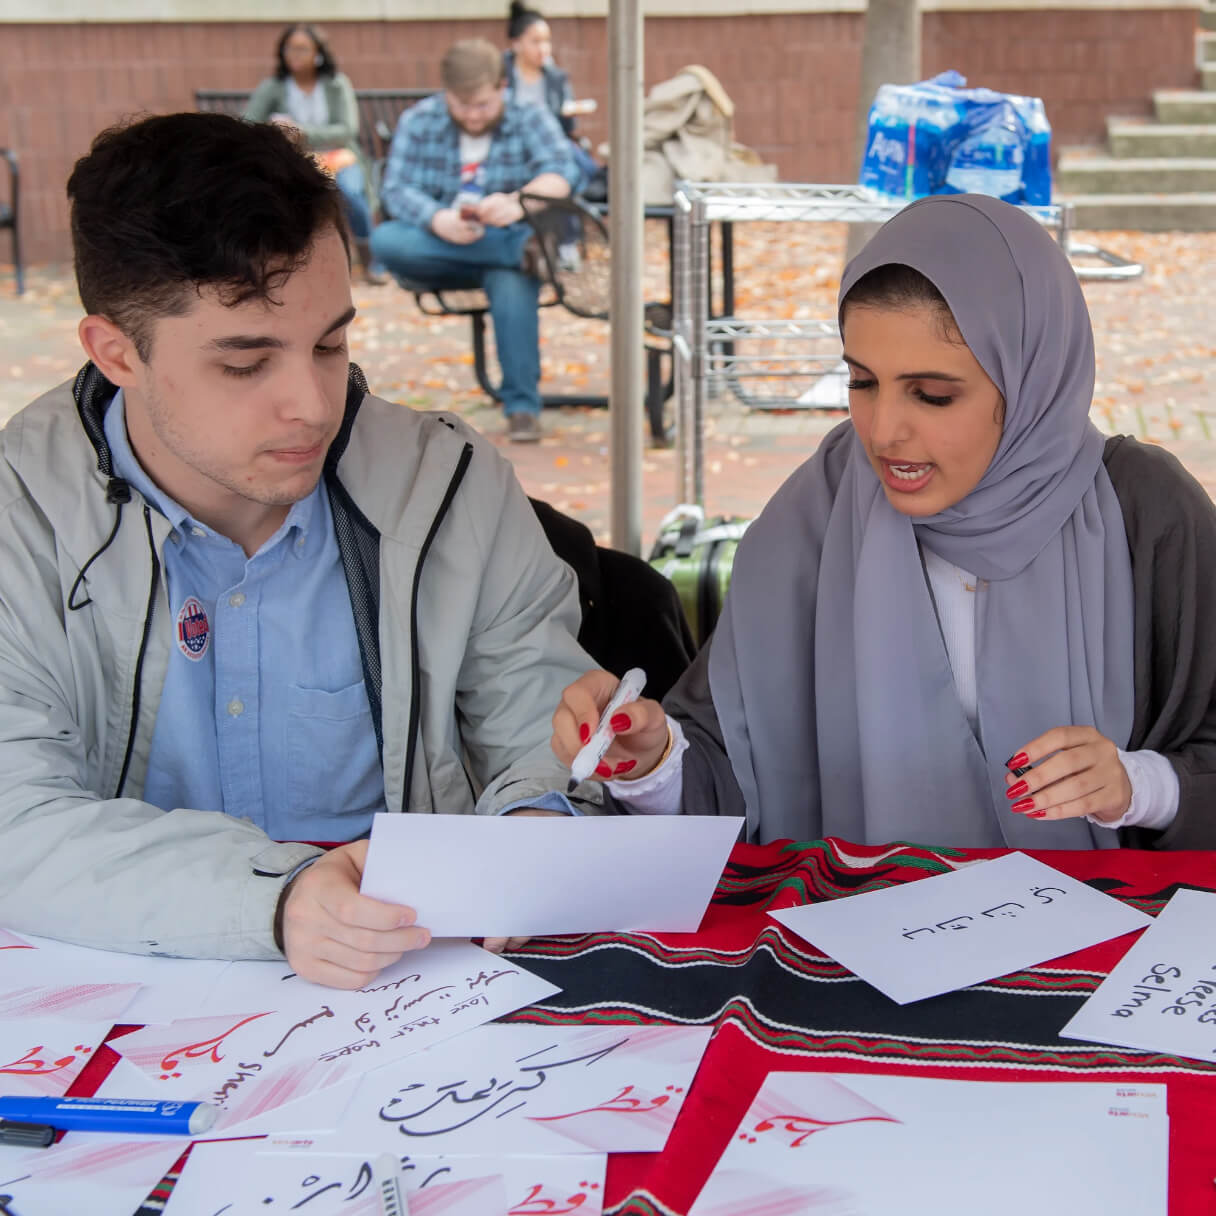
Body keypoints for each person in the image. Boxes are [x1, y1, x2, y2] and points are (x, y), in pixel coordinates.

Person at [0, 112, 602, 990]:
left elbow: (545, 742)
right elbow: (15, 820)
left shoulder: (448, 483)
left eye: (330, 344)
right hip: (120, 998)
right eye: (246, 363)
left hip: (411, 1002)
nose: (313, 406)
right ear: (115, 352)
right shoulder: (22, 514)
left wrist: (542, 818)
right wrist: (272, 901)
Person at [552, 194, 1216, 852]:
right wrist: (651, 759)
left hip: (1108, 945)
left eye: (932, 395)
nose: (884, 432)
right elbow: (728, 774)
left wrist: (1140, 785)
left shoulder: (1146, 516)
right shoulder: (819, 507)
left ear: (1032, 381)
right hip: (854, 935)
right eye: (863, 382)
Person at [371, 39, 578, 443]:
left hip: (504, 231)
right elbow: (395, 188)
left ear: (502, 86)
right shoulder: (420, 119)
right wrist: (437, 218)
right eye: (461, 105)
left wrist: (519, 202)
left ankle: (522, 409)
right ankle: (517, 252)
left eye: (482, 105)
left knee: (509, 277)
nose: (472, 115)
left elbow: (562, 174)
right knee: (386, 240)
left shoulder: (528, 115)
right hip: (440, 246)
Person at [245, 23, 386, 285]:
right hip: (291, 160)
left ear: (318, 53)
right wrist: (277, 132)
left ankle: (372, 263)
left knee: (351, 193)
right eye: (289, 49)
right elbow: (248, 123)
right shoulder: (274, 86)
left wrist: (302, 132)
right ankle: (290, 267)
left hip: (338, 156)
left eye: (302, 49)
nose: (294, 55)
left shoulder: (336, 85)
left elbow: (346, 130)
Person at [503, 1, 600, 192]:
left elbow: (567, 129)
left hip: (549, 144)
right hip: (511, 145)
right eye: (535, 41)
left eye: (546, 41)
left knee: (577, 162)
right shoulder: (501, 73)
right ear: (516, 44)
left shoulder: (556, 78)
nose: (543, 48)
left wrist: (568, 112)